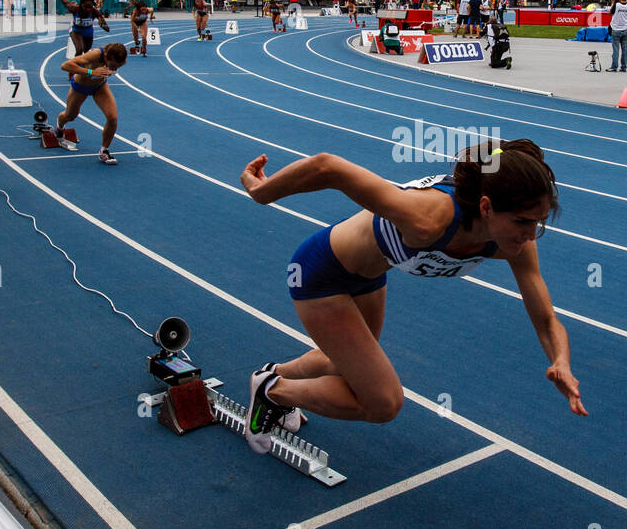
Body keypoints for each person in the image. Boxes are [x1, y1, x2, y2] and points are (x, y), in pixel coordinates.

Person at [236, 139, 587, 453]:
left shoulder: (514, 244)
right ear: (486, 207)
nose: (531, 235)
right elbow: (327, 166)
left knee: (341, 363)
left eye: (540, 222)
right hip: (321, 275)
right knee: (382, 403)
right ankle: (273, 391)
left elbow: (545, 317)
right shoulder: (428, 219)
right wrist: (260, 192)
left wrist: (561, 360)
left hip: (368, 278)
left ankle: (269, 374)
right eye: (524, 222)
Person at [58, 42, 128, 165]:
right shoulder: (95, 55)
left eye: (118, 67)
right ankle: (59, 126)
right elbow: (65, 66)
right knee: (70, 115)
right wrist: (91, 72)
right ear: (107, 56)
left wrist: (108, 70)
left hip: (100, 86)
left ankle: (104, 150)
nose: (114, 69)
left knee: (112, 117)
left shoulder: (120, 60)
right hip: (80, 86)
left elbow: (116, 64)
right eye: (112, 65)